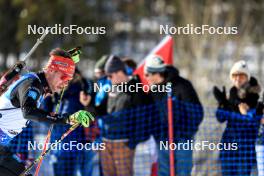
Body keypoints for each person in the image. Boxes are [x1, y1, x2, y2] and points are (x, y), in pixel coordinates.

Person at [0, 48, 94, 176]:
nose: (65, 83)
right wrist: (66, 119)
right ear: (51, 70)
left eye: (68, 80)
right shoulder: (32, 83)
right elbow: (29, 112)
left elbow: (60, 71)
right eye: (64, 77)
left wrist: (67, 59)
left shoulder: (41, 85)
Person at [144, 55, 204, 176]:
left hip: (182, 140)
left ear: (156, 73)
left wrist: (185, 133)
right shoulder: (153, 92)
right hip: (162, 140)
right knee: (164, 172)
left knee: (182, 171)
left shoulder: (182, 85)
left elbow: (197, 112)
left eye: (147, 74)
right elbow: (149, 117)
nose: (146, 78)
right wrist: (157, 134)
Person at [99, 55, 151, 176]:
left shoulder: (135, 89)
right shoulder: (112, 88)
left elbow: (142, 117)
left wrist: (132, 142)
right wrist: (88, 104)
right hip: (107, 141)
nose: (108, 79)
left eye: (110, 75)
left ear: (118, 73)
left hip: (124, 143)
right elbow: (101, 111)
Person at [213, 60, 262, 175]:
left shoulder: (255, 98)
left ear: (247, 78)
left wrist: (247, 113)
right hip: (229, 143)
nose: (237, 78)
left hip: (246, 146)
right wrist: (222, 103)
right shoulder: (231, 95)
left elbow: (258, 123)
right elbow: (220, 118)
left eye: (241, 75)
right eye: (235, 75)